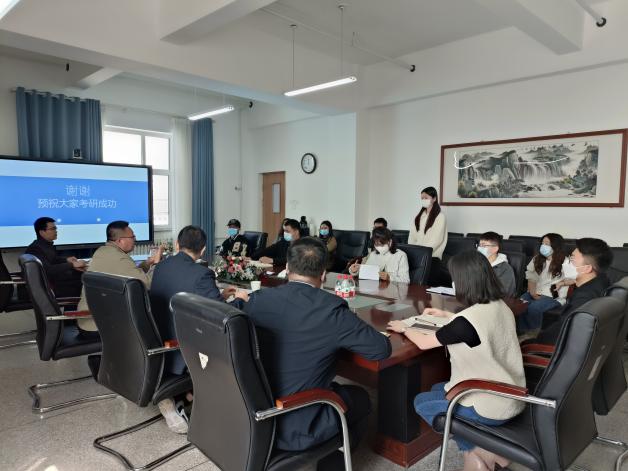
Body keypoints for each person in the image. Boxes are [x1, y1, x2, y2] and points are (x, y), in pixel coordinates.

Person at [235, 237, 391, 458]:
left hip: (250, 411)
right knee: (361, 398)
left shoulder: (258, 299)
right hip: (297, 426)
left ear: (287, 268)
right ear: (324, 274)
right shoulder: (330, 309)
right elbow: (381, 349)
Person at [387, 250, 525, 471]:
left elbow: (424, 342)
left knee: (421, 402)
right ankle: (496, 454)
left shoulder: (465, 322)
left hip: (490, 405)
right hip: (512, 394)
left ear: (464, 281)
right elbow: (477, 327)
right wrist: (447, 316)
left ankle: (478, 453)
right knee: (437, 389)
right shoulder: (500, 305)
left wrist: (403, 327)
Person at [150, 225, 247, 434]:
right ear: (203, 250)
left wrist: (220, 296)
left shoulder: (161, 266)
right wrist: (239, 300)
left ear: (177, 245)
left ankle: (186, 396)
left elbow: (189, 297)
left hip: (157, 337)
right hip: (183, 346)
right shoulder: (202, 273)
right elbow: (220, 316)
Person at [77, 221, 163, 335]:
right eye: (132, 237)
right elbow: (147, 283)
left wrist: (148, 262)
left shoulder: (103, 251)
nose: (135, 239)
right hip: (101, 325)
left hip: (90, 321)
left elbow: (130, 273)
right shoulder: (119, 258)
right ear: (120, 240)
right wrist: (157, 264)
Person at [533, 238, 612, 345]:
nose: (567, 262)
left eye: (572, 259)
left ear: (587, 268)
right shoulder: (602, 281)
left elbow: (559, 335)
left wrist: (533, 342)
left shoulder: (584, 298)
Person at [517, 233, 570, 335]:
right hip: (535, 292)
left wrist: (562, 282)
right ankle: (521, 331)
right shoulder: (537, 259)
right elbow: (530, 276)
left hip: (553, 296)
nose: (543, 246)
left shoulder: (566, 262)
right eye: (542, 243)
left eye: (547, 244)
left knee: (534, 307)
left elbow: (575, 279)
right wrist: (532, 293)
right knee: (520, 303)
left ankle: (534, 334)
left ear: (556, 246)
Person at [24, 217, 87, 297]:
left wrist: (66, 260)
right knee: (85, 282)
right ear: (42, 232)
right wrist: (72, 264)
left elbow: (52, 260)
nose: (56, 231)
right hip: (52, 287)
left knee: (81, 276)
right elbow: (48, 270)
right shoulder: (35, 249)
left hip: (55, 282)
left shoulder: (45, 245)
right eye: (52, 229)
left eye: (56, 228)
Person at [408, 187, 448, 285]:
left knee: (427, 287)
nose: (423, 200)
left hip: (432, 257)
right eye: (422, 198)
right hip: (417, 256)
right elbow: (412, 236)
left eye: (426, 198)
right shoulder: (419, 216)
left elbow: (437, 240)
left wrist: (422, 253)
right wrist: (413, 251)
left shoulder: (440, 216)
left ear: (434, 199)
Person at [477, 231, 516, 297]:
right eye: (479, 245)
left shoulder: (505, 269)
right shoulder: (475, 263)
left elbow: (504, 293)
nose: (479, 248)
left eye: (483, 245)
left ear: (495, 249)